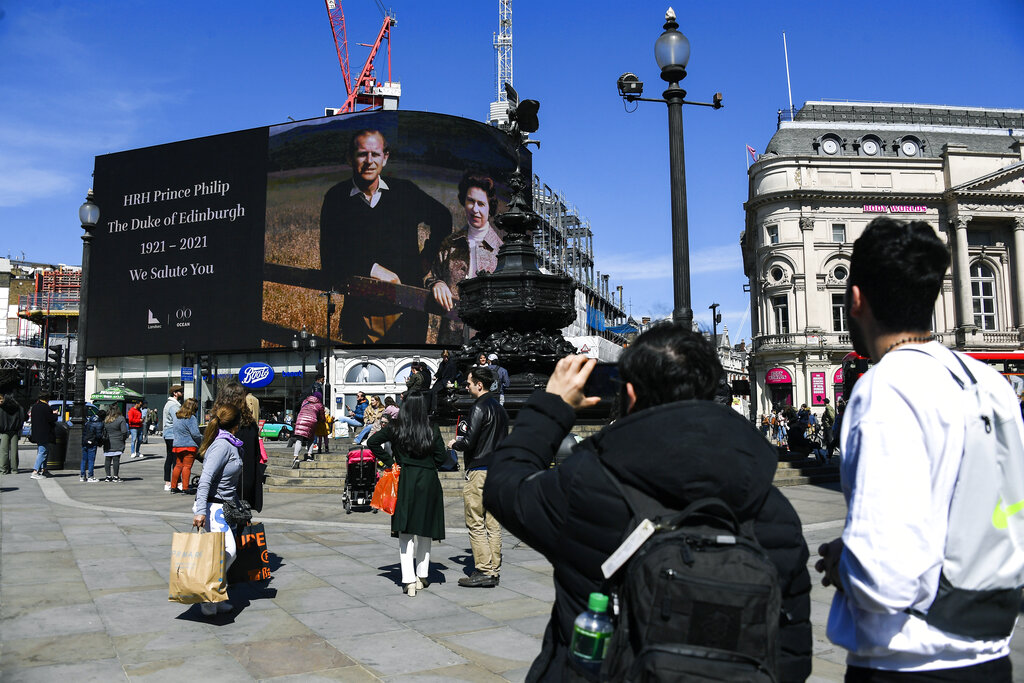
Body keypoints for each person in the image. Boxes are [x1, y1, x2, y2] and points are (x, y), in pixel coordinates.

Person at [482, 326, 812, 681]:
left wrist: (552, 407)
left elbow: (504, 486)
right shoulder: (771, 507)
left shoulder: (589, 482)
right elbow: (790, 650)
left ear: (630, 393)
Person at [815, 216, 1024, 682]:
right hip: (989, 654)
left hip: (907, 658)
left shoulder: (887, 387)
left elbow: (886, 578)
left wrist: (847, 560)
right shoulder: (990, 383)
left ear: (856, 300)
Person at [319, 129, 452, 344]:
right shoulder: (337, 199)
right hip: (361, 315)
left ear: (385, 158)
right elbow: (329, 259)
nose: (369, 161)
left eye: (376, 154)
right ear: (350, 158)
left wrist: (428, 255)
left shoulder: (404, 192)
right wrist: (372, 269)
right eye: (362, 154)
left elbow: (443, 218)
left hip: (409, 311)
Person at [367, 393, 448, 597]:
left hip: (405, 478)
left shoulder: (396, 427)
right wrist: (429, 466)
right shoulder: (432, 428)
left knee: (406, 531)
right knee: (425, 529)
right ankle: (422, 575)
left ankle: (409, 580)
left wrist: (390, 462)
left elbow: (373, 442)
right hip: (428, 480)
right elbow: (441, 456)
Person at [449, 366, 509, 587]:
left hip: (479, 470)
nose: (466, 386)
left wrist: (455, 442)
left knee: (475, 521)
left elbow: (469, 442)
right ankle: (494, 570)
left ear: (479, 385)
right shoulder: (501, 410)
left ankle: (483, 570)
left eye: (468, 383)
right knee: (493, 524)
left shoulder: (478, 408)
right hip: (497, 470)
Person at [429, 172, 505, 345]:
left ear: (489, 207)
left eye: (481, 204)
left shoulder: (501, 251)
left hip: (488, 342)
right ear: (464, 202)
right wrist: (437, 283)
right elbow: (431, 276)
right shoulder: (450, 244)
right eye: (470, 201)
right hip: (451, 339)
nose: (475, 209)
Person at [192, 403, 244, 617]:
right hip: (212, 506)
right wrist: (200, 510)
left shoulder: (231, 444)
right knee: (227, 552)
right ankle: (208, 597)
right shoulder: (222, 445)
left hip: (224, 507)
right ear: (236, 424)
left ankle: (215, 595)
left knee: (222, 555)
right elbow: (205, 479)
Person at [213, 379, 262, 512]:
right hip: (244, 484)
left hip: (221, 486)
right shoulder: (249, 425)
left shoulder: (217, 424)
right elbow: (254, 456)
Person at [169, 398, 202, 494]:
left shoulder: (177, 417)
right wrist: (201, 440)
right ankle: (185, 487)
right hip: (189, 445)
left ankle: (173, 486)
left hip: (177, 445)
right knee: (187, 466)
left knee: (178, 465)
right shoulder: (191, 418)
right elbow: (195, 434)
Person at [292, 391, 325, 468]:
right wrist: (323, 421)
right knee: (311, 438)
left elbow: (302, 409)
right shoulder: (319, 405)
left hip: (301, 419)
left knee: (299, 439)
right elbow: (322, 417)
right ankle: (309, 455)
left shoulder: (305, 401)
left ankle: (295, 457)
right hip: (311, 420)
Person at [29, 392, 57, 480]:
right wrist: (55, 414)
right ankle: (35, 471)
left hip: (37, 432)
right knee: (43, 452)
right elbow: (51, 419)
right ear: (47, 398)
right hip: (45, 433)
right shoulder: (46, 407)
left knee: (43, 451)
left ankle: (44, 470)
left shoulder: (35, 407)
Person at [162, 385, 183, 491]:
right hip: (173, 434)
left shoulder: (169, 404)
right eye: (180, 391)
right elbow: (177, 420)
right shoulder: (173, 406)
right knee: (176, 459)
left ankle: (167, 482)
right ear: (175, 393)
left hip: (168, 434)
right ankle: (178, 482)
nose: (182, 393)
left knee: (169, 458)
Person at [101, 403, 128, 482]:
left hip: (107, 442)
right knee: (116, 459)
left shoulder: (106, 419)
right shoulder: (121, 419)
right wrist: (124, 438)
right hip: (118, 441)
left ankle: (108, 476)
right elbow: (124, 431)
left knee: (107, 459)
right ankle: (115, 476)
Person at [0, 393, 25, 475]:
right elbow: (23, 417)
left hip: (4, 431)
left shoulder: (2, 408)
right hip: (14, 431)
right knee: (14, 450)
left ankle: (3, 469)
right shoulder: (18, 407)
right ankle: (14, 469)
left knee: (4, 451)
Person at [80, 409, 103, 482]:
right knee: (91, 460)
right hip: (92, 442)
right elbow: (99, 435)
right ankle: (90, 476)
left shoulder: (89, 421)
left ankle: (82, 476)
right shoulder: (99, 423)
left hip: (85, 441)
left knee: (84, 459)